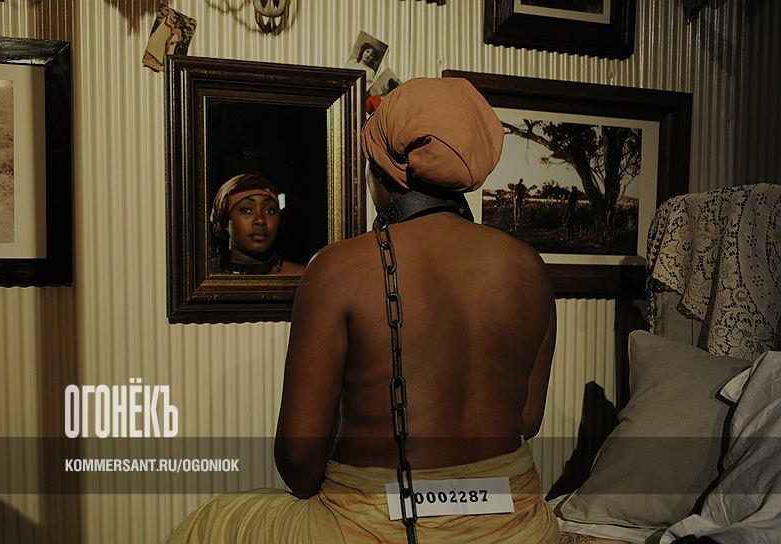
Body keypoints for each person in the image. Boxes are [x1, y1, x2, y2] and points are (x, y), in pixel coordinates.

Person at [167, 78, 558, 543]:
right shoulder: (529, 266)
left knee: (212, 522)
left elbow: (298, 463)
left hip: (380, 525)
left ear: (382, 171)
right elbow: (526, 421)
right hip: (516, 521)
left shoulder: (338, 267)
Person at [208, 172, 305, 275]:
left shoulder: (303, 276)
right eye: (246, 210)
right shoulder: (204, 277)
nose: (260, 220)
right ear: (225, 220)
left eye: (270, 211)